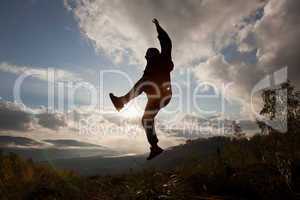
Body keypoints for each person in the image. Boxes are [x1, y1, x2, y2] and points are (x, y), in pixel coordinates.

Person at [110, 18, 174, 160]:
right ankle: (155, 147)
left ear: (152, 56)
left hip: (163, 95)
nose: (147, 60)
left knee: (144, 82)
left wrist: (158, 27)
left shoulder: (163, 59)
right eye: (147, 59)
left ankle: (121, 102)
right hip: (155, 98)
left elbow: (166, 42)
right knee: (146, 119)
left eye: (148, 58)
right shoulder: (149, 68)